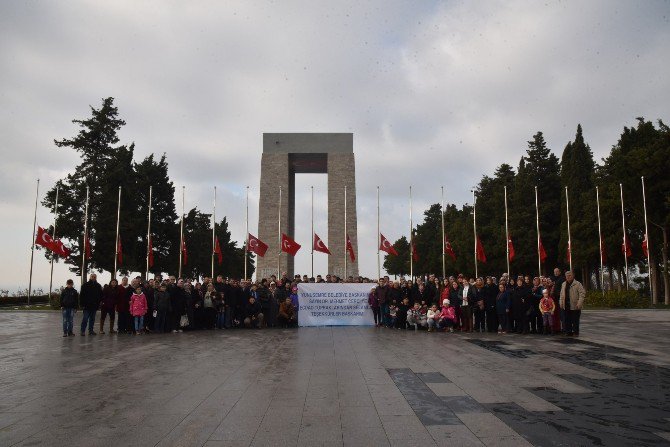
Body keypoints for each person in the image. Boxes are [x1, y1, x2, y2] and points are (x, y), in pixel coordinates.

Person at [559, 270, 585, 336]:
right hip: (566, 305)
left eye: (569, 275)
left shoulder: (578, 284)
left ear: (573, 276)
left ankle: (576, 332)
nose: (568, 277)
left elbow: (582, 294)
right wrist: (561, 303)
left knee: (575, 320)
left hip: (575, 305)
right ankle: (568, 332)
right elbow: (561, 295)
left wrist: (579, 303)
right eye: (566, 275)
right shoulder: (564, 284)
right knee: (567, 320)